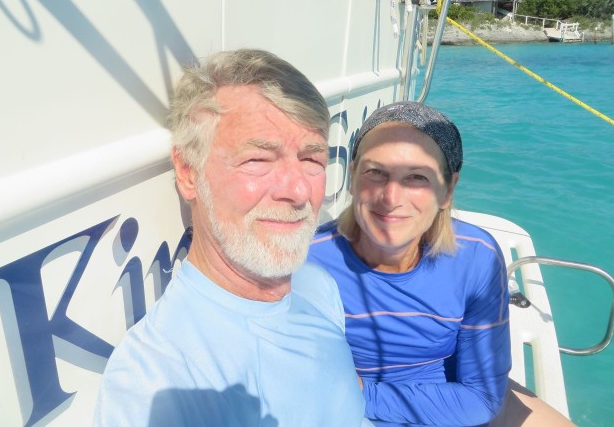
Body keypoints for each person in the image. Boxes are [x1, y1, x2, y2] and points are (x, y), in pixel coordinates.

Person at [94, 49, 368, 426]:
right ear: (189, 173)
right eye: (257, 159)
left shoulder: (317, 286)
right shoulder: (156, 380)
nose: (298, 191)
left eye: (311, 160)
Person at [307, 101, 575, 427]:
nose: (391, 197)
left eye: (417, 177)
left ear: (447, 190)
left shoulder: (474, 258)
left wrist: (366, 393)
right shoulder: (310, 259)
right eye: (376, 172)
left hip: (450, 397)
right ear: (352, 176)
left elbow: (481, 398)